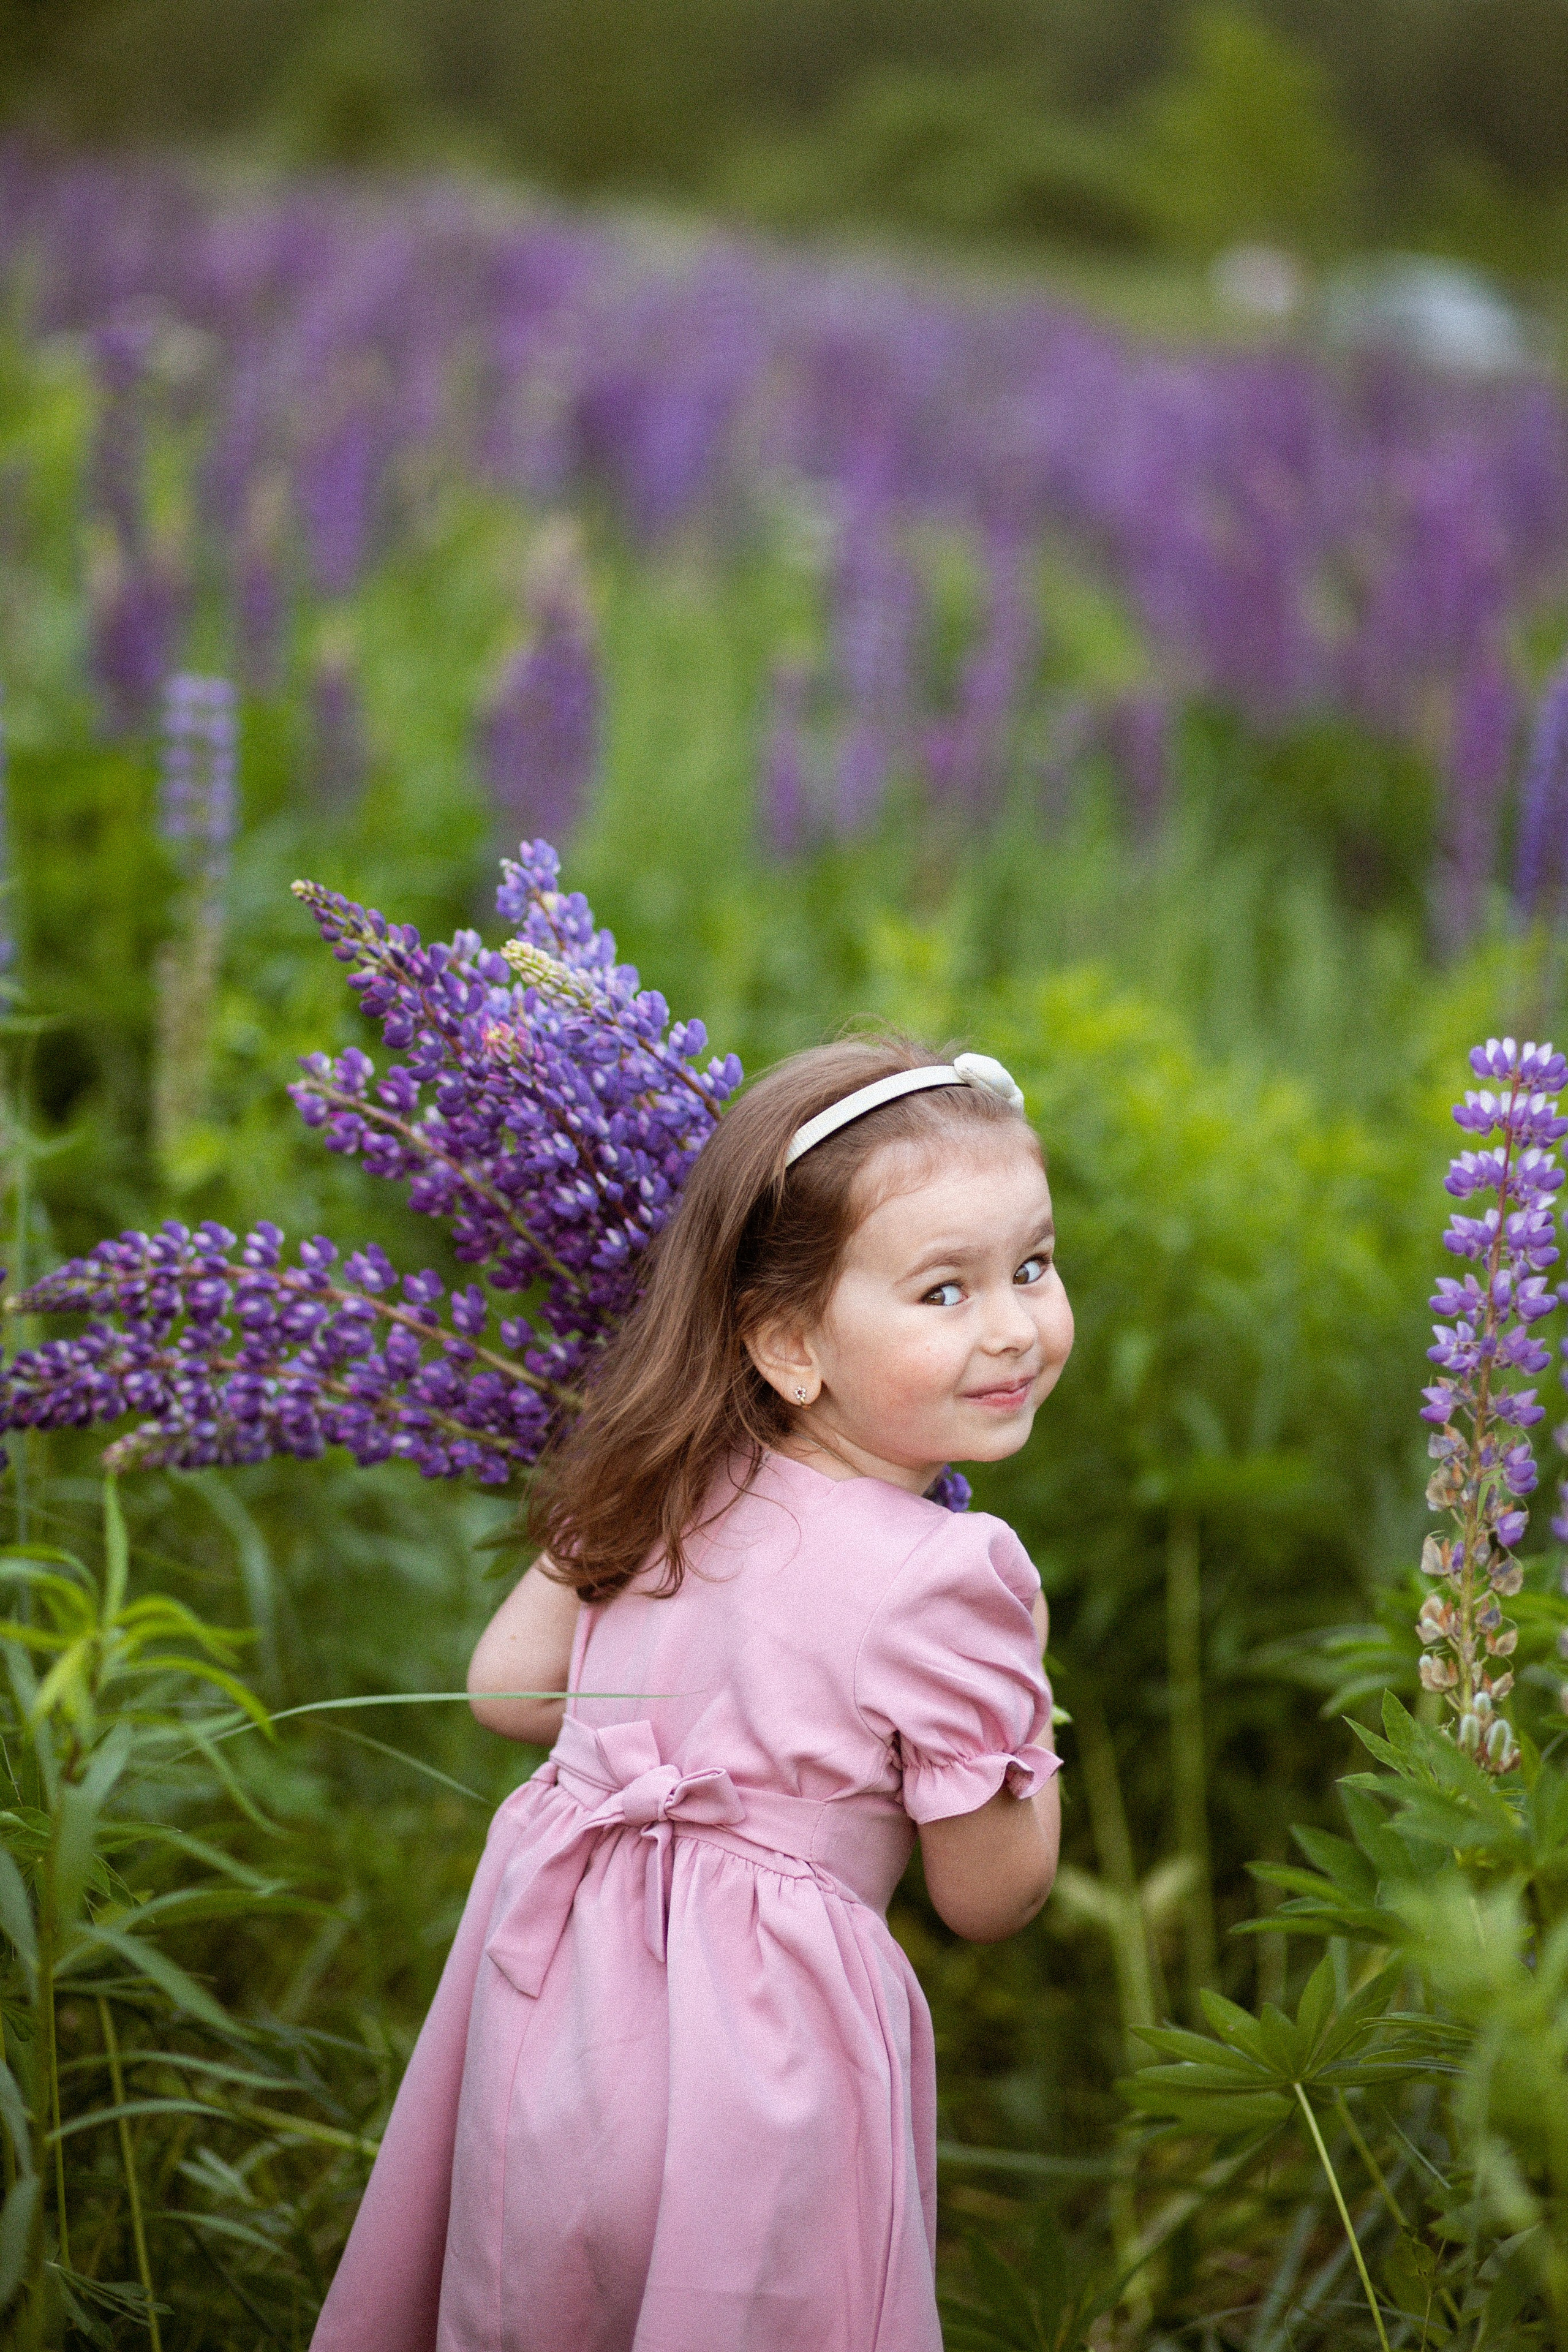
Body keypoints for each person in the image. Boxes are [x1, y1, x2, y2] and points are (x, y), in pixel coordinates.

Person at [311, 1032, 1072, 2352]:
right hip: (759, 2071)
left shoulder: (660, 1478)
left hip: (555, 2020)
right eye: (942, 1292)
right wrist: (1014, 1725)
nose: (1011, 1324)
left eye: (1032, 1266)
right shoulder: (956, 1574)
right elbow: (988, 1896)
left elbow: (505, 1691)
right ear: (786, 1345)